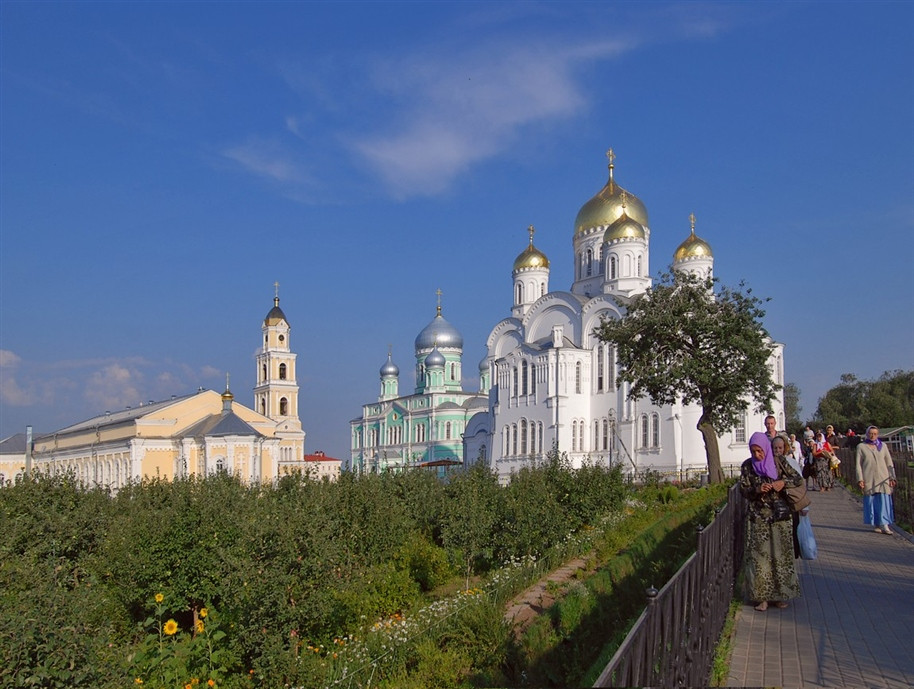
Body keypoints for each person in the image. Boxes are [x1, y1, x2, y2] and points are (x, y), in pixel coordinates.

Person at [739, 431, 802, 611]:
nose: (757, 455)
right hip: (758, 517)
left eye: (760, 451)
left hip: (779, 517)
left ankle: (781, 596)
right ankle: (762, 598)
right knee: (760, 559)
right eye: (753, 452)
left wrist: (782, 483)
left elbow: (797, 479)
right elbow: (743, 490)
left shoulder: (778, 461)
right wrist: (757, 489)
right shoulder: (748, 466)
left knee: (781, 557)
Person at [855, 425, 897, 535]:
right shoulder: (861, 447)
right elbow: (858, 465)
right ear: (867, 434)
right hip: (869, 478)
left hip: (883, 478)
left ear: (878, 435)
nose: (872, 435)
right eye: (870, 433)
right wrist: (860, 479)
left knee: (883, 501)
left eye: (875, 434)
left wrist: (892, 477)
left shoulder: (882, 446)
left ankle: (885, 525)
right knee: (872, 502)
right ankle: (877, 524)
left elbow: (889, 463)